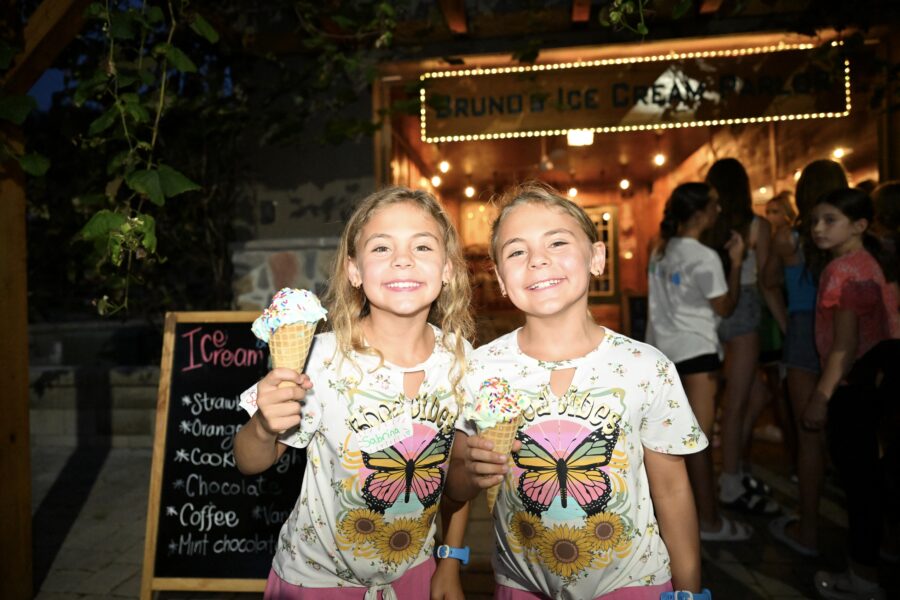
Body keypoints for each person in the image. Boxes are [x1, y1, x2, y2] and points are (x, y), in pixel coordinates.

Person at [447, 183, 709, 599]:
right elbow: (455, 486)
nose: (538, 260)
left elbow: (673, 490)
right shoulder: (479, 369)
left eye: (557, 241)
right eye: (516, 252)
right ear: (499, 277)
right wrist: (469, 473)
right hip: (521, 585)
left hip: (633, 584)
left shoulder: (646, 367)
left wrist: (690, 589)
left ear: (597, 257)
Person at [233, 187, 475, 599]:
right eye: (381, 248)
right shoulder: (321, 358)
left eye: (422, 245)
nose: (403, 259)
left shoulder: (462, 359)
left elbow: (457, 475)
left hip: (413, 575)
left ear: (448, 268)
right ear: (354, 271)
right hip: (314, 581)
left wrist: (450, 560)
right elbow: (249, 462)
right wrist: (262, 426)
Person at [802, 188, 900, 600]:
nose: (818, 229)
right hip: (876, 382)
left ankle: (862, 579)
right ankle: (883, 553)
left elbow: (843, 345)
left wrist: (820, 397)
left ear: (859, 226)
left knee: (858, 485)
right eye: (816, 220)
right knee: (874, 480)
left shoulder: (843, 271)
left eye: (830, 220)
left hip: (851, 386)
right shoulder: (870, 262)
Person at [646, 182, 751, 543]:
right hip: (698, 353)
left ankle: (679, 518)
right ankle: (708, 521)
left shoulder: (659, 250)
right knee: (698, 443)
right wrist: (736, 264)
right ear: (700, 213)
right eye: (714, 205)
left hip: (663, 353)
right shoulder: (704, 257)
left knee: (670, 442)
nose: (718, 211)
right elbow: (726, 307)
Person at [764, 160, 848, 557]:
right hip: (848, 337)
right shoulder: (847, 236)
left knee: (809, 437)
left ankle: (809, 531)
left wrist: (789, 321)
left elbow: (767, 284)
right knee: (857, 435)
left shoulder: (789, 239)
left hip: (803, 334)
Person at [703, 158, 780, 516]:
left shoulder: (709, 226)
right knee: (735, 403)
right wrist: (784, 323)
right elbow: (766, 281)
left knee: (755, 393)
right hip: (745, 306)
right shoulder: (757, 226)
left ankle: (738, 464)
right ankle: (731, 478)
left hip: (714, 310)